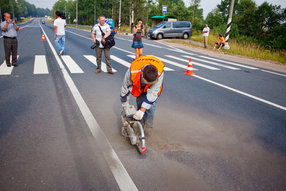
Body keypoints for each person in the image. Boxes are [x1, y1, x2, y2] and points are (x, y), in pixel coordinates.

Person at [120, 56, 165, 136]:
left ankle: (148, 130)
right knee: (140, 101)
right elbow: (125, 89)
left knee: (151, 107)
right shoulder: (132, 71)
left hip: (151, 86)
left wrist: (142, 110)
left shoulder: (159, 72)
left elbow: (153, 93)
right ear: (142, 74)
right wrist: (125, 106)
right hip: (139, 85)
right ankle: (139, 125)